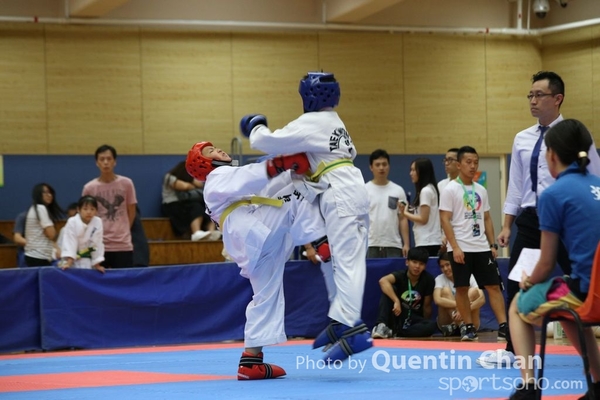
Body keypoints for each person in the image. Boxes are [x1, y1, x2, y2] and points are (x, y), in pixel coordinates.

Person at [241, 71, 373, 361]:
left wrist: (256, 126)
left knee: (346, 261)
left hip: (339, 191)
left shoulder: (312, 122)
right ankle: (341, 320)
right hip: (350, 187)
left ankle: (353, 328)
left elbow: (267, 142)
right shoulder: (335, 121)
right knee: (344, 259)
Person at [479, 71, 600, 367]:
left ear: (557, 99)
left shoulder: (576, 136)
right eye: (530, 95)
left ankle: (573, 361)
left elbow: (594, 178)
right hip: (533, 219)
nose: (532, 100)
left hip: (570, 218)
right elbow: (516, 185)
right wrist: (507, 224)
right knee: (515, 281)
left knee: (583, 277)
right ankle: (514, 350)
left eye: (539, 95)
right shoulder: (522, 138)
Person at [185, 141, 334, 380]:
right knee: (295, 190)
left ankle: (250, 362)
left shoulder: (226, 184)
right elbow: (250, 176)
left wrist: (286, 169)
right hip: (254, 235)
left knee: (265, 296)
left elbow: (262, 187)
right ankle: (320, 241)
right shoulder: (218, 176)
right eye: (211, 151)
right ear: (203, 163)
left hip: (253, 244)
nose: (219, 150)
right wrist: (280, 165)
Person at [506, 119, 600, 399]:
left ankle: (528, 387)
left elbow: (546, 264)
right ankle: (598, 384)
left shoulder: (554, 195)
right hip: (592, 292)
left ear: (551, 155)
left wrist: (527, 282)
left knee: (517, 306)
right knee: (567, 309)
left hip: (587, 294)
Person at [439, 146, 508, 341]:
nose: (472, 166)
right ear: (459, 164)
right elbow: (445, 219)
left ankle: (503, 326)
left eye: (476, 162)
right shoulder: (450, 189)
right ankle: (468, 327)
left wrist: (492, 244)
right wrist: (455, 247)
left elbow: (486, 218)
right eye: (468, 162)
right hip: (460, 247)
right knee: (462, 288)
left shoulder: (481, 190)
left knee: (493, 286)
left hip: (481, 247)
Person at [82, 144, 137, 269]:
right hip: (98, 244)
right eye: (102, 159)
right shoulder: (89, 188)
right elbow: (85, 216)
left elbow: (132, 210)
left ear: (115, 161)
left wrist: (124, 230)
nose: (106, 162)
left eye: (109, 159)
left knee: (124, 278)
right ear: (97, 163)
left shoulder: (127, 183)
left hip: (123, 244)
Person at [371, 247, 437, 338]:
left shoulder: (428, 279)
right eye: (414, 262)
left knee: (431, 326)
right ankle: (381, 326)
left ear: (425, 266)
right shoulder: (400, 275)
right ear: (407, 262)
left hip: (413, 319)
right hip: (397, 314)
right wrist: (396, 300)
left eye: (421, 264)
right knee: (390, 289)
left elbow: (427, 306)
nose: (417, 266)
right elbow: (383, 281)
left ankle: (396, 333)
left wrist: (425, 324)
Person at [365, 149, 410, 258]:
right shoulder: (364, 190)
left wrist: (406, 244)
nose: (381, 168)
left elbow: (403, 218)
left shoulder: (398, 190)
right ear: (371, 167)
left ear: (389, 166)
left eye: (384, 164)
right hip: (370, 244)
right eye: (377, 165)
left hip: (393, 244)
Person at [161, 160, 219, 241]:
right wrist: (191, 182)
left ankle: (211, 231)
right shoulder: (169, 177)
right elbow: (184, 186)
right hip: (172, 204)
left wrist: (191, 181)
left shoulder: (188, 179)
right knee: (195, 206)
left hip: (185, 202)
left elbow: (199, 184)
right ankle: (196, 232)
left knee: (209, 206)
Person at [434, 250, 485, 337]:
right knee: (445, 291)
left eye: (447, 265)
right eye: (442, 266)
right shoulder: (439, 279)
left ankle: (457, 325)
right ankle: (461, 325)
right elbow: (437, 300)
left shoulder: (470, 276)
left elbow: (482, 299)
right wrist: (462, 307)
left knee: (473, 291)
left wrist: (463, 311)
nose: (445, 269)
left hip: (469, 323)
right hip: (447, 322)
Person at [399, 157, 442, 257]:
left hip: (427, 241)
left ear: (422, 172)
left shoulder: (425, 191)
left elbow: (423, 219)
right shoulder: (430, 189)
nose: (411, 173)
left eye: (414, 170)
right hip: (429, 241)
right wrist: (410, 210)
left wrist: (405, 213)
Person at [58, 195, 105, 273]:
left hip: (88, 261)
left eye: (92, 209)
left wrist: (97, 264)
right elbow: (70, 242)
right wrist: (69, 262)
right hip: (72, 261)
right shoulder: (72, 221)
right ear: (78, 209)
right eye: (85, 209)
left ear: (96, 211)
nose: (89, 212)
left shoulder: (97, 222)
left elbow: (97, 243)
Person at [24, 183, 64, 267]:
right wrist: (50, 232)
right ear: (38, 194)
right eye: (45, 192)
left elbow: (49, 235)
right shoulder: (40, 208)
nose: (49, 195)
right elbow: (52, 234)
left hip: (35, 255)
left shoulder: (34, 208)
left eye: (50, 193)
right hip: (38, 256)